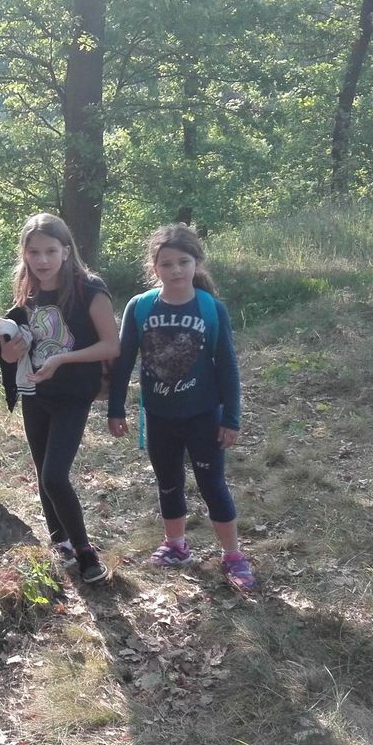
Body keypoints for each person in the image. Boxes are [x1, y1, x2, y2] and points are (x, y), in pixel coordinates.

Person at [106, 223, 256, 592]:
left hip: (204, 415)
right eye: (167, 264)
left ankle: (233, 555)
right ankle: (176, 545)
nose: (175, 270)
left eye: (183, 262)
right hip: (159, 416)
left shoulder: (210, 308)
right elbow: (124, 362)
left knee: (211, 483)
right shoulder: (140, 307)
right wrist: (116, 408)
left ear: (196, 263)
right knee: (168, 481)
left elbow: (227, 365)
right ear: (154, 267)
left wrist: (231, 417)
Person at [0, 213, 118, 584]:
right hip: (35, 391)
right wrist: (10, 350)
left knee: (55, 475)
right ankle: (60, 542)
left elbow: (111, 345)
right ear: (24, 253)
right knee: (44, 472)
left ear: (66, 250)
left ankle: (85, 552)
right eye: (34, 252)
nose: (42, 260)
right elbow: (14, 350)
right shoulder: (28, 291)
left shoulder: (89, 288)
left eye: (50, 251)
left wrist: (62, 360)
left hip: (74, 393)